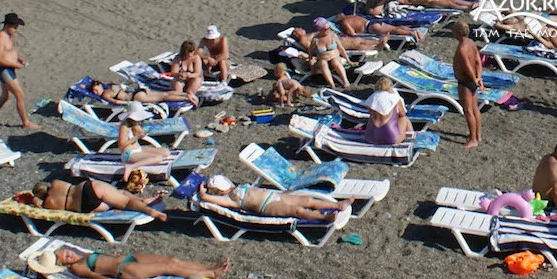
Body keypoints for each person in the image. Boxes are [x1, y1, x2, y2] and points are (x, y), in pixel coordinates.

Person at [27, 248, 230, 279]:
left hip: (129, 258)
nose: (69, 255)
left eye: (66, 252)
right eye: (65, 257)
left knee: (172, 260)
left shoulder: (80, 256)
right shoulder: (77, 267)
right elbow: (96, 276)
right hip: (126, 269)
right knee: (169, 268)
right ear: (62, 263)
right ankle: (213, 274)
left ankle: (209, 268)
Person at [200, 174, 348, 221]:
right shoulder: (229, 200)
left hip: (274, 195)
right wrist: (202, 193)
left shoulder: (236, 188)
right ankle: (323, 218)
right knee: (296, 211)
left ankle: (337, 205)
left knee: (307, 200)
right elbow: (207, 199)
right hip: (266, 207)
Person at [0, 13, 36, 130]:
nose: (16, 29)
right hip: (4, 70)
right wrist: (14, 65)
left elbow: (12, 52)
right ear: (7, 25)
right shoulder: (0, 37)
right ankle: (26, 123)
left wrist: (20, 60)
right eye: (14, 26)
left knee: (5, 96)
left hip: (10, 69)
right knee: (20, 94)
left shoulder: (10, 36)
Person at [32, 179, 167, 221]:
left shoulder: (48, 204)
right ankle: (149, 210)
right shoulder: (56, 183)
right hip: (87, 188)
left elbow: (39, 205)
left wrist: (37, 203)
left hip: (86, 206)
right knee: (122, 198)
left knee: (121, 194)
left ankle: (141, 201)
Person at [112, 103, 169, 179]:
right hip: (128, 154)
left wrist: (141, 133)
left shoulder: (134, 123)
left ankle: (136, 163)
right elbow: (121, 145)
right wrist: (136, 137)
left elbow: (140, 133)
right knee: (158, 158)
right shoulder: (124, 127)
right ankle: (131, 167)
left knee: (165, 152)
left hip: (138, 149)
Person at [451, 19, 483, 148]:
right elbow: (478, 61)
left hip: (465, 81)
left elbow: (468, 66)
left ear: (458, 32)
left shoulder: (462, 48)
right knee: (475, 109)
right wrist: (479, 77)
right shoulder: (471, 43)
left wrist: (474, 79)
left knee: (468, 111)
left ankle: (473, 139)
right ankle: (478, 135)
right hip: (473, 79)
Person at [363, 76, 412, 146]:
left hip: (370, 138)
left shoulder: (372, 98)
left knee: (372, 118)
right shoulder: (394, 99)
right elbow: (402, 114)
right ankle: (411, 139)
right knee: (404, 119)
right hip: (391, 139)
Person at [87, 79, 194, 107]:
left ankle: (186, 97)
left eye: (95, 89)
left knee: (163, 97)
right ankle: (186, 95)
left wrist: (128, 104)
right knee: (163, 95)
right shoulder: (108, 89)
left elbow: (115, 101)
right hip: (137, 91)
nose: (96, 92)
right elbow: (115, 100)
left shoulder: (106, 91)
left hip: (135, 95)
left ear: (99, 84)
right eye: (93, 91)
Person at [308, 18, 350, 88]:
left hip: (335, 57)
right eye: (325, 29)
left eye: (329, 28)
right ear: (319, 30)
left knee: (335, 62)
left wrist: (348, 60)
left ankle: (345, 81)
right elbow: (310, 52)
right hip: (322, 60)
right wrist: (311, 64)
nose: (328, 30)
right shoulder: (315, 40)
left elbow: (341, 49)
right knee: (323, 63)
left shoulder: (333, 35)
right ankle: (332, 85)